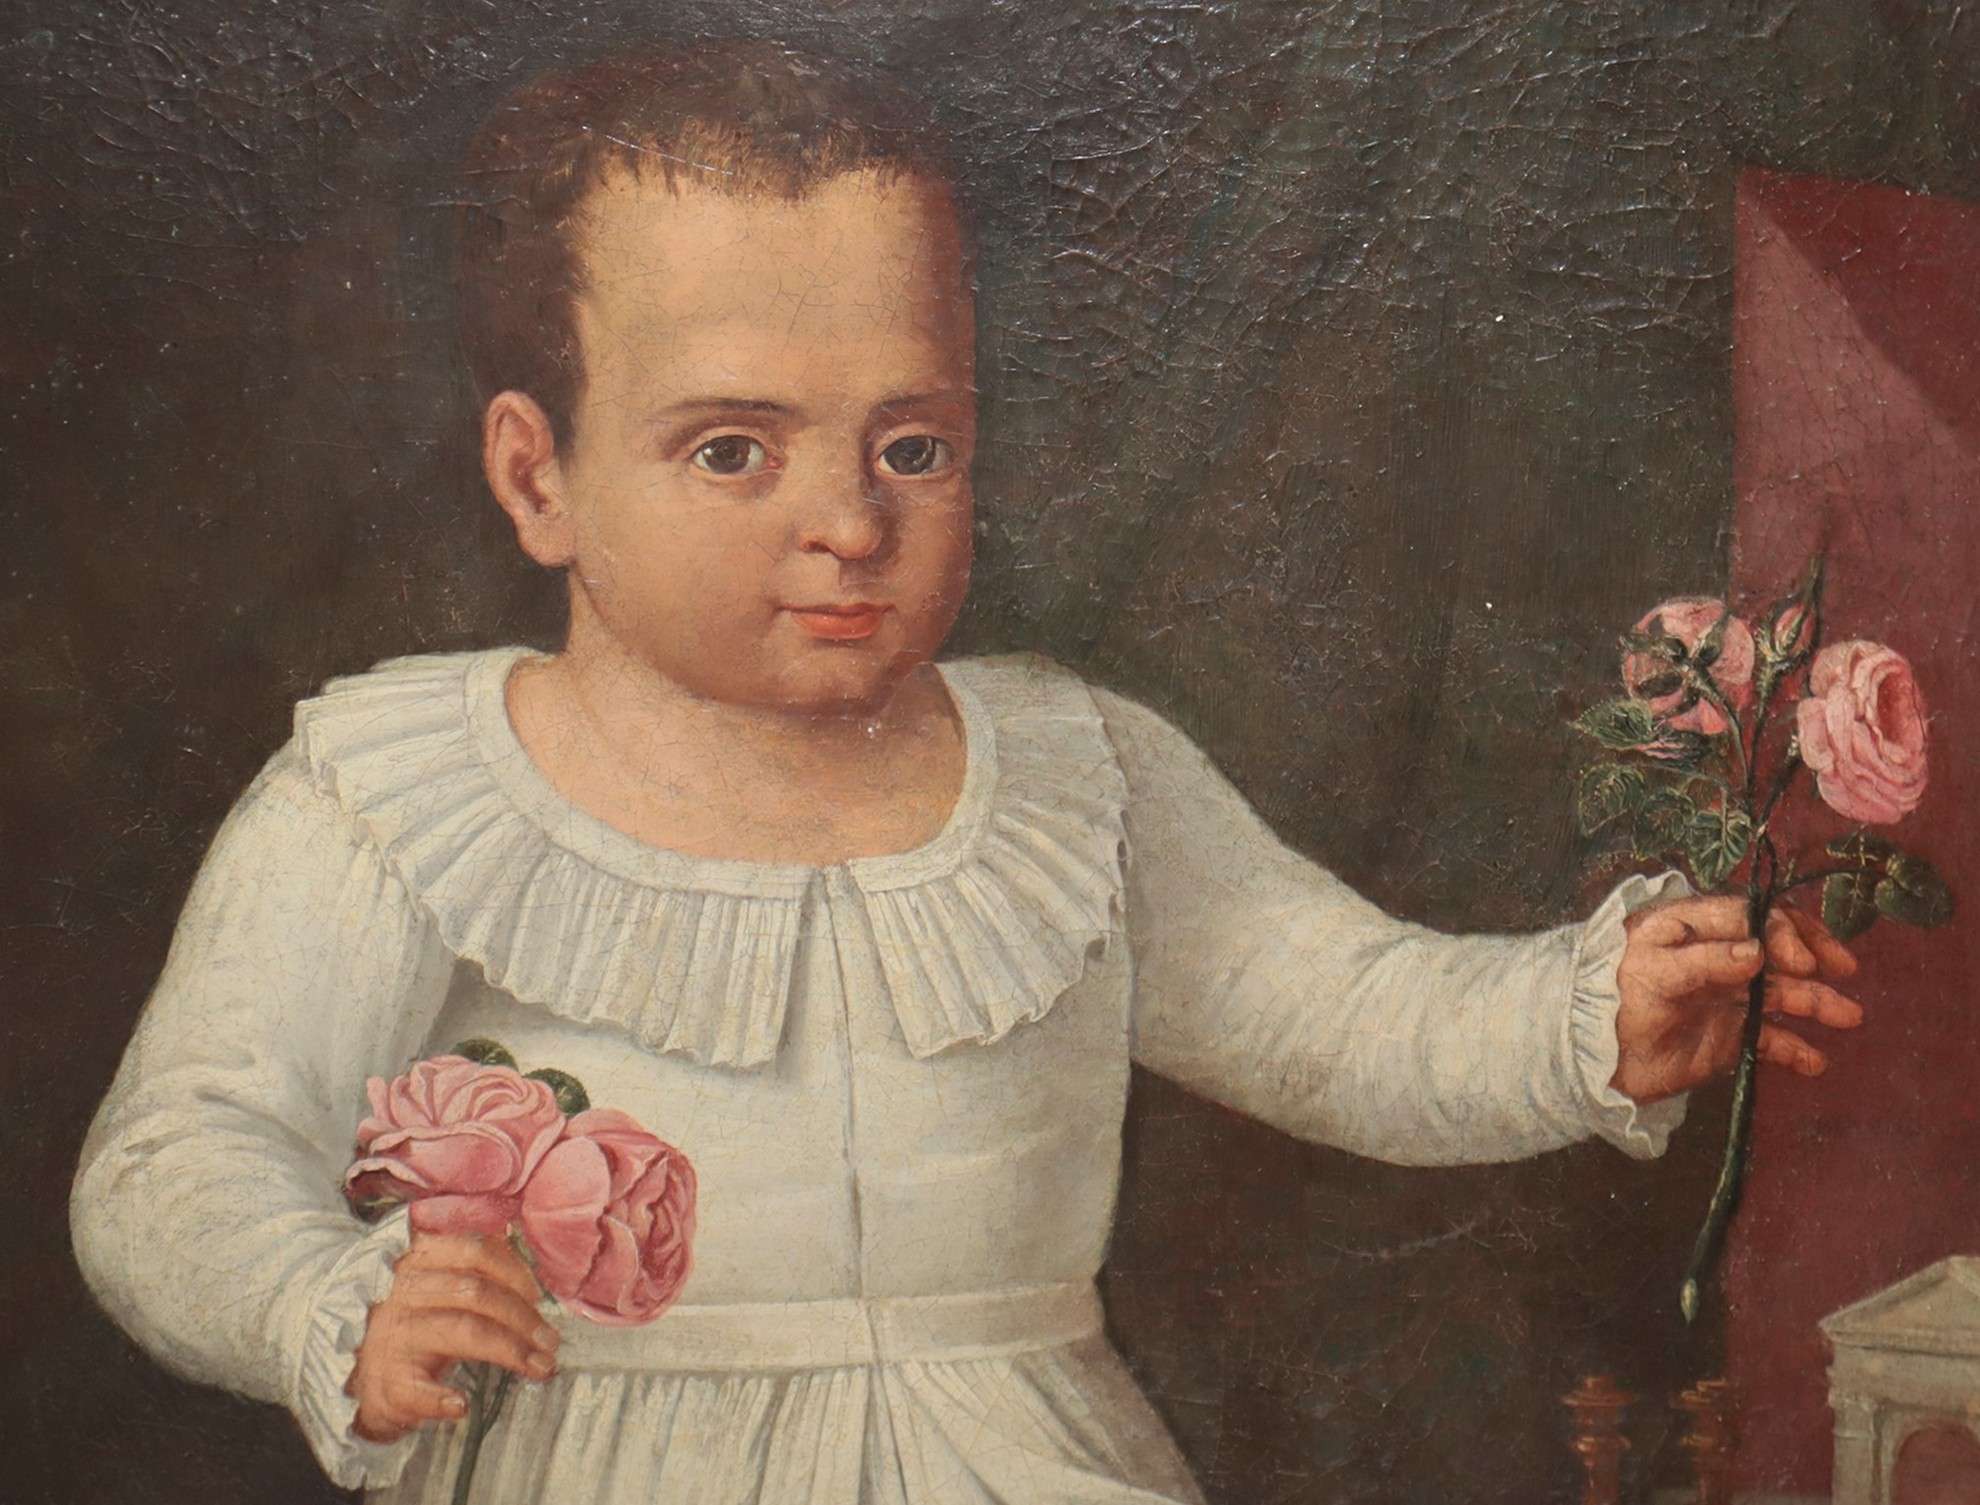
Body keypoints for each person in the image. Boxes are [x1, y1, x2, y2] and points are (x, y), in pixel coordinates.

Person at [70, 41, 1862, 1505]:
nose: (850, 522)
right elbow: (175, 1157)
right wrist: (324, 1298)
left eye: (912, 445)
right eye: (734, 450)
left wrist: (1582, 1014)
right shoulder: (402, 790)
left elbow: (1340, 1013)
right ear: (540, 477)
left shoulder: (1074, 768)